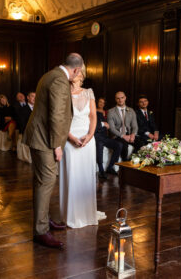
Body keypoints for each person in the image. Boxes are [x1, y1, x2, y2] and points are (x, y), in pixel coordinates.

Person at [23, 53, 83, 248]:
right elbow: (56, 115)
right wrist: (58, 145)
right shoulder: (59, 79)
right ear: (76, 69)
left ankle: (44, 219)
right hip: (45, 139)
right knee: (46, 181)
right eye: (79, 72)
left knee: (42, 181)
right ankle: (41, 231)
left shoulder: (51, 74)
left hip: (40, 136)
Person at [59, 66, 105, 228]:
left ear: (82, 75)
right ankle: (71, 215)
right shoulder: (62, 93)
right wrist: (70, 138)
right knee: (71, 175)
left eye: (76, 71)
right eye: (72, 70)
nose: (73, 73)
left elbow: (93, 117)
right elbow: (60, 120)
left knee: (86, 177)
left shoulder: (88, 92)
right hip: (69, 138)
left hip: (87, 139)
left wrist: (90, 135)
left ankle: (86, 213)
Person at [94, 98, 123, 179]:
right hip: (96, 135)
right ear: (97, 102)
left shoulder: (107, 112)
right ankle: (101, 170)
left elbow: (111, 125)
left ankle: (110, 167)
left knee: (119, 145)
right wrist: (103, 124)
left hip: (105, 136)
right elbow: (92, 125)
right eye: (100, 102)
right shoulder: (93, 111)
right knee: (99, 144)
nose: (101, 104)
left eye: (103, 103)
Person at [107, 91, 138, 161]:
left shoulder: (131, 110)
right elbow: (112, 129)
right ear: (115, 99)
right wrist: (123, 136)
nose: (120, 100)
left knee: (141, 143)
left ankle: (131, 161)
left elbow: (135, 126)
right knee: (124, 146)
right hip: (118, 135)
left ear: (125, 98)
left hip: (129, 134)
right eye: (118, 98)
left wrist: (133, 135)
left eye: (122, 98)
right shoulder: (111, 111)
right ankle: (125, 164)